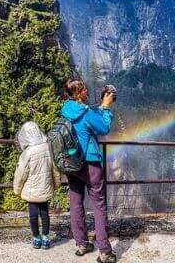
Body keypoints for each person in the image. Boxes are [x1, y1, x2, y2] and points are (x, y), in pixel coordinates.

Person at [61, 78, 116, 263]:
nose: (87, 91)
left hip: (72, 163)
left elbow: (88, 116)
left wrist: (99, 107)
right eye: (84, 89)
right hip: (89, 163)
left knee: (76, 203)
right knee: (99, 206)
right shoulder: (84, 113)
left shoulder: (66, 110)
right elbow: (104, 127)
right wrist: (107, 108)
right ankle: (105, 252)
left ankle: (82, 244)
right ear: (78, 94)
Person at [13, 121, 61, 251]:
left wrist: (17, 189)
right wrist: (56, 184)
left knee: (33, 215)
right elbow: (55, 169)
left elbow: (21, 173)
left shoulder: (27, 152)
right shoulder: (47, 147)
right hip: (45, 186)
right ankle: (46, 237)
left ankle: (36, 238)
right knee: (45, 213)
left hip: (32, 190)